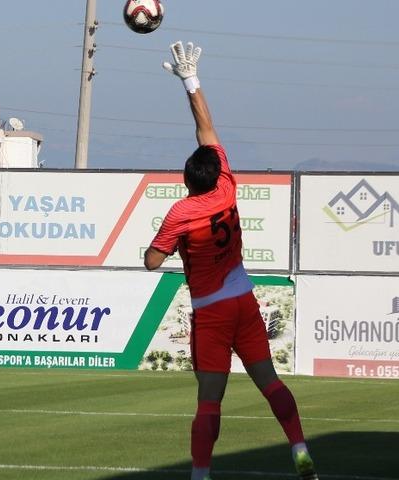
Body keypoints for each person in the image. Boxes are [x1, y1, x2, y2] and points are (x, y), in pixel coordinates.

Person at [144, 42, 317, 480]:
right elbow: (207, 128)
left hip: (212, 312)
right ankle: (298, 446)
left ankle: (200, 475)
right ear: (214, 169)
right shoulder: (227, 187)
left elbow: (152, 261)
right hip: (244, 301)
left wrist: (163, 246)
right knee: (270, 382)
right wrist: (190, 81)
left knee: (209, 400)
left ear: (186, 179)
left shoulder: (180, 213)